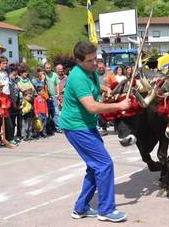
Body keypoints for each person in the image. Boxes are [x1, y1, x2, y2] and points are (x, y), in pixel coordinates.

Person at [59, 41, 130, 222]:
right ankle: (106, 210)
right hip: (77, 127)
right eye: (90, 61)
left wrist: (106, 89)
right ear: (80, 61)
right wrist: (119, 105)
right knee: (105, 164)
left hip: (87, 126)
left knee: (94, 166)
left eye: (96, 58)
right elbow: (91, 106)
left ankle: (81, 207)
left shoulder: (90, 73)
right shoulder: (77, 77)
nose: (95, 63)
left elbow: (96, 89)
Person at [0, 82, 17, 148]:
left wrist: (6, 106)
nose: (0, 89)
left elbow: (9, 103)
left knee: (9, 126)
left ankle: (8, 139)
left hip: (5, 113)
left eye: (0, 87)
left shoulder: (5, 95)